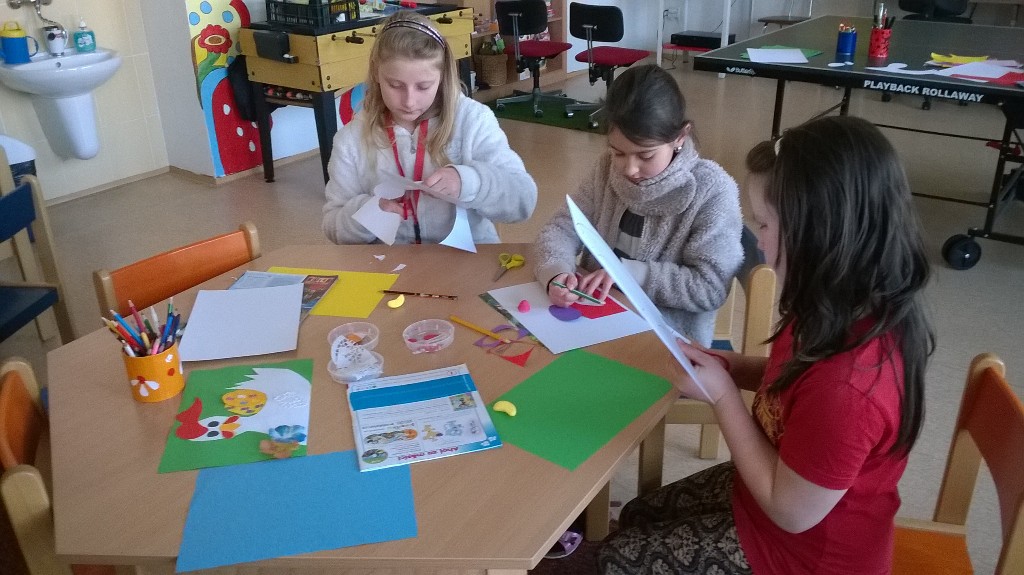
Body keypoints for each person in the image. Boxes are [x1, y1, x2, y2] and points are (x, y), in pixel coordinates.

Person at [597, 115, 935, 575]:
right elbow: (795, 381)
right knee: (638, 515)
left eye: (764, 224)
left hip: (807, 554)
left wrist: (722, 396)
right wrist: (731, 366)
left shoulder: (850, 388)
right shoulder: (837, 303)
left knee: (616, 560)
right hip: (778, 488)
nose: (759, 241)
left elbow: (790, 512)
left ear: (819, 234)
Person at [532, 64, 743, 346]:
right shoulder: (606, 169)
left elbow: (710, 288)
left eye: (646, 156)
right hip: (594, 322)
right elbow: (561, 227)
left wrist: (630, 274)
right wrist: (556, 272)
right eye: (618, 152)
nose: (629, 169)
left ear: (680, 138)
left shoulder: (712, 190)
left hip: (667, 342)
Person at [322, 12, 537, 245]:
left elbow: (523, 200)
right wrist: (367, 214)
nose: (409, 101)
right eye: (395, 85)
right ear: (376, 74)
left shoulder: (472, 120)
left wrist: (469, 182)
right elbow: (332, 225)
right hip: (390, 262)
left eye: (424, 86)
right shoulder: (351, 138)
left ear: (442, 77)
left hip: (468, 258)